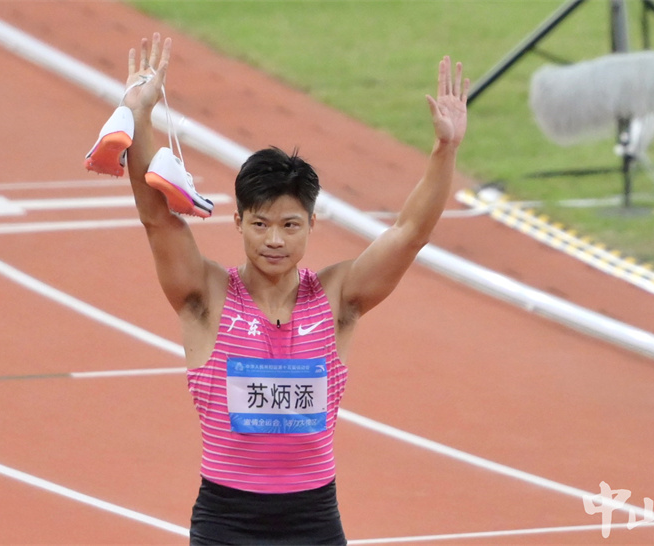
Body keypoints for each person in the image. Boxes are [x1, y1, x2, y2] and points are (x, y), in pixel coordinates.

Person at [109, 32, 468, 545]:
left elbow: (409, 234)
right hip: (226, 524)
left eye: (289, 225)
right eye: (260, 224)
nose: (274, 240)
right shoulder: (206, 297)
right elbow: (159, 221)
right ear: (238, 222)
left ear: (311, 225)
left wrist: (444, 150)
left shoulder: (338, 299)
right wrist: (140, 116)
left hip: (313, 522)